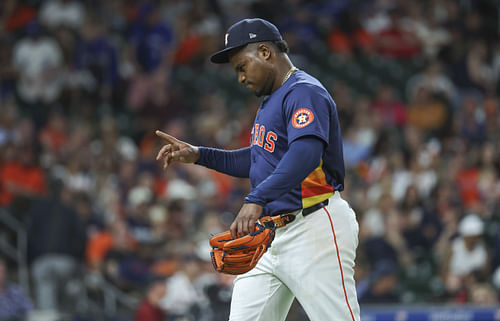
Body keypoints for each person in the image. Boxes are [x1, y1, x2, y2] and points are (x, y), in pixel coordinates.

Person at [155, 18, 360, 321]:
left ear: (265, 52)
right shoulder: (272, 99)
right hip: (271, 236)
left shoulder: (304, 92)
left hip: (314, 227)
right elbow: (258, 160)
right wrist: (199, 154)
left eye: (241, 66)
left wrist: (256, 199)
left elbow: (305, 154)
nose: (239, 77)